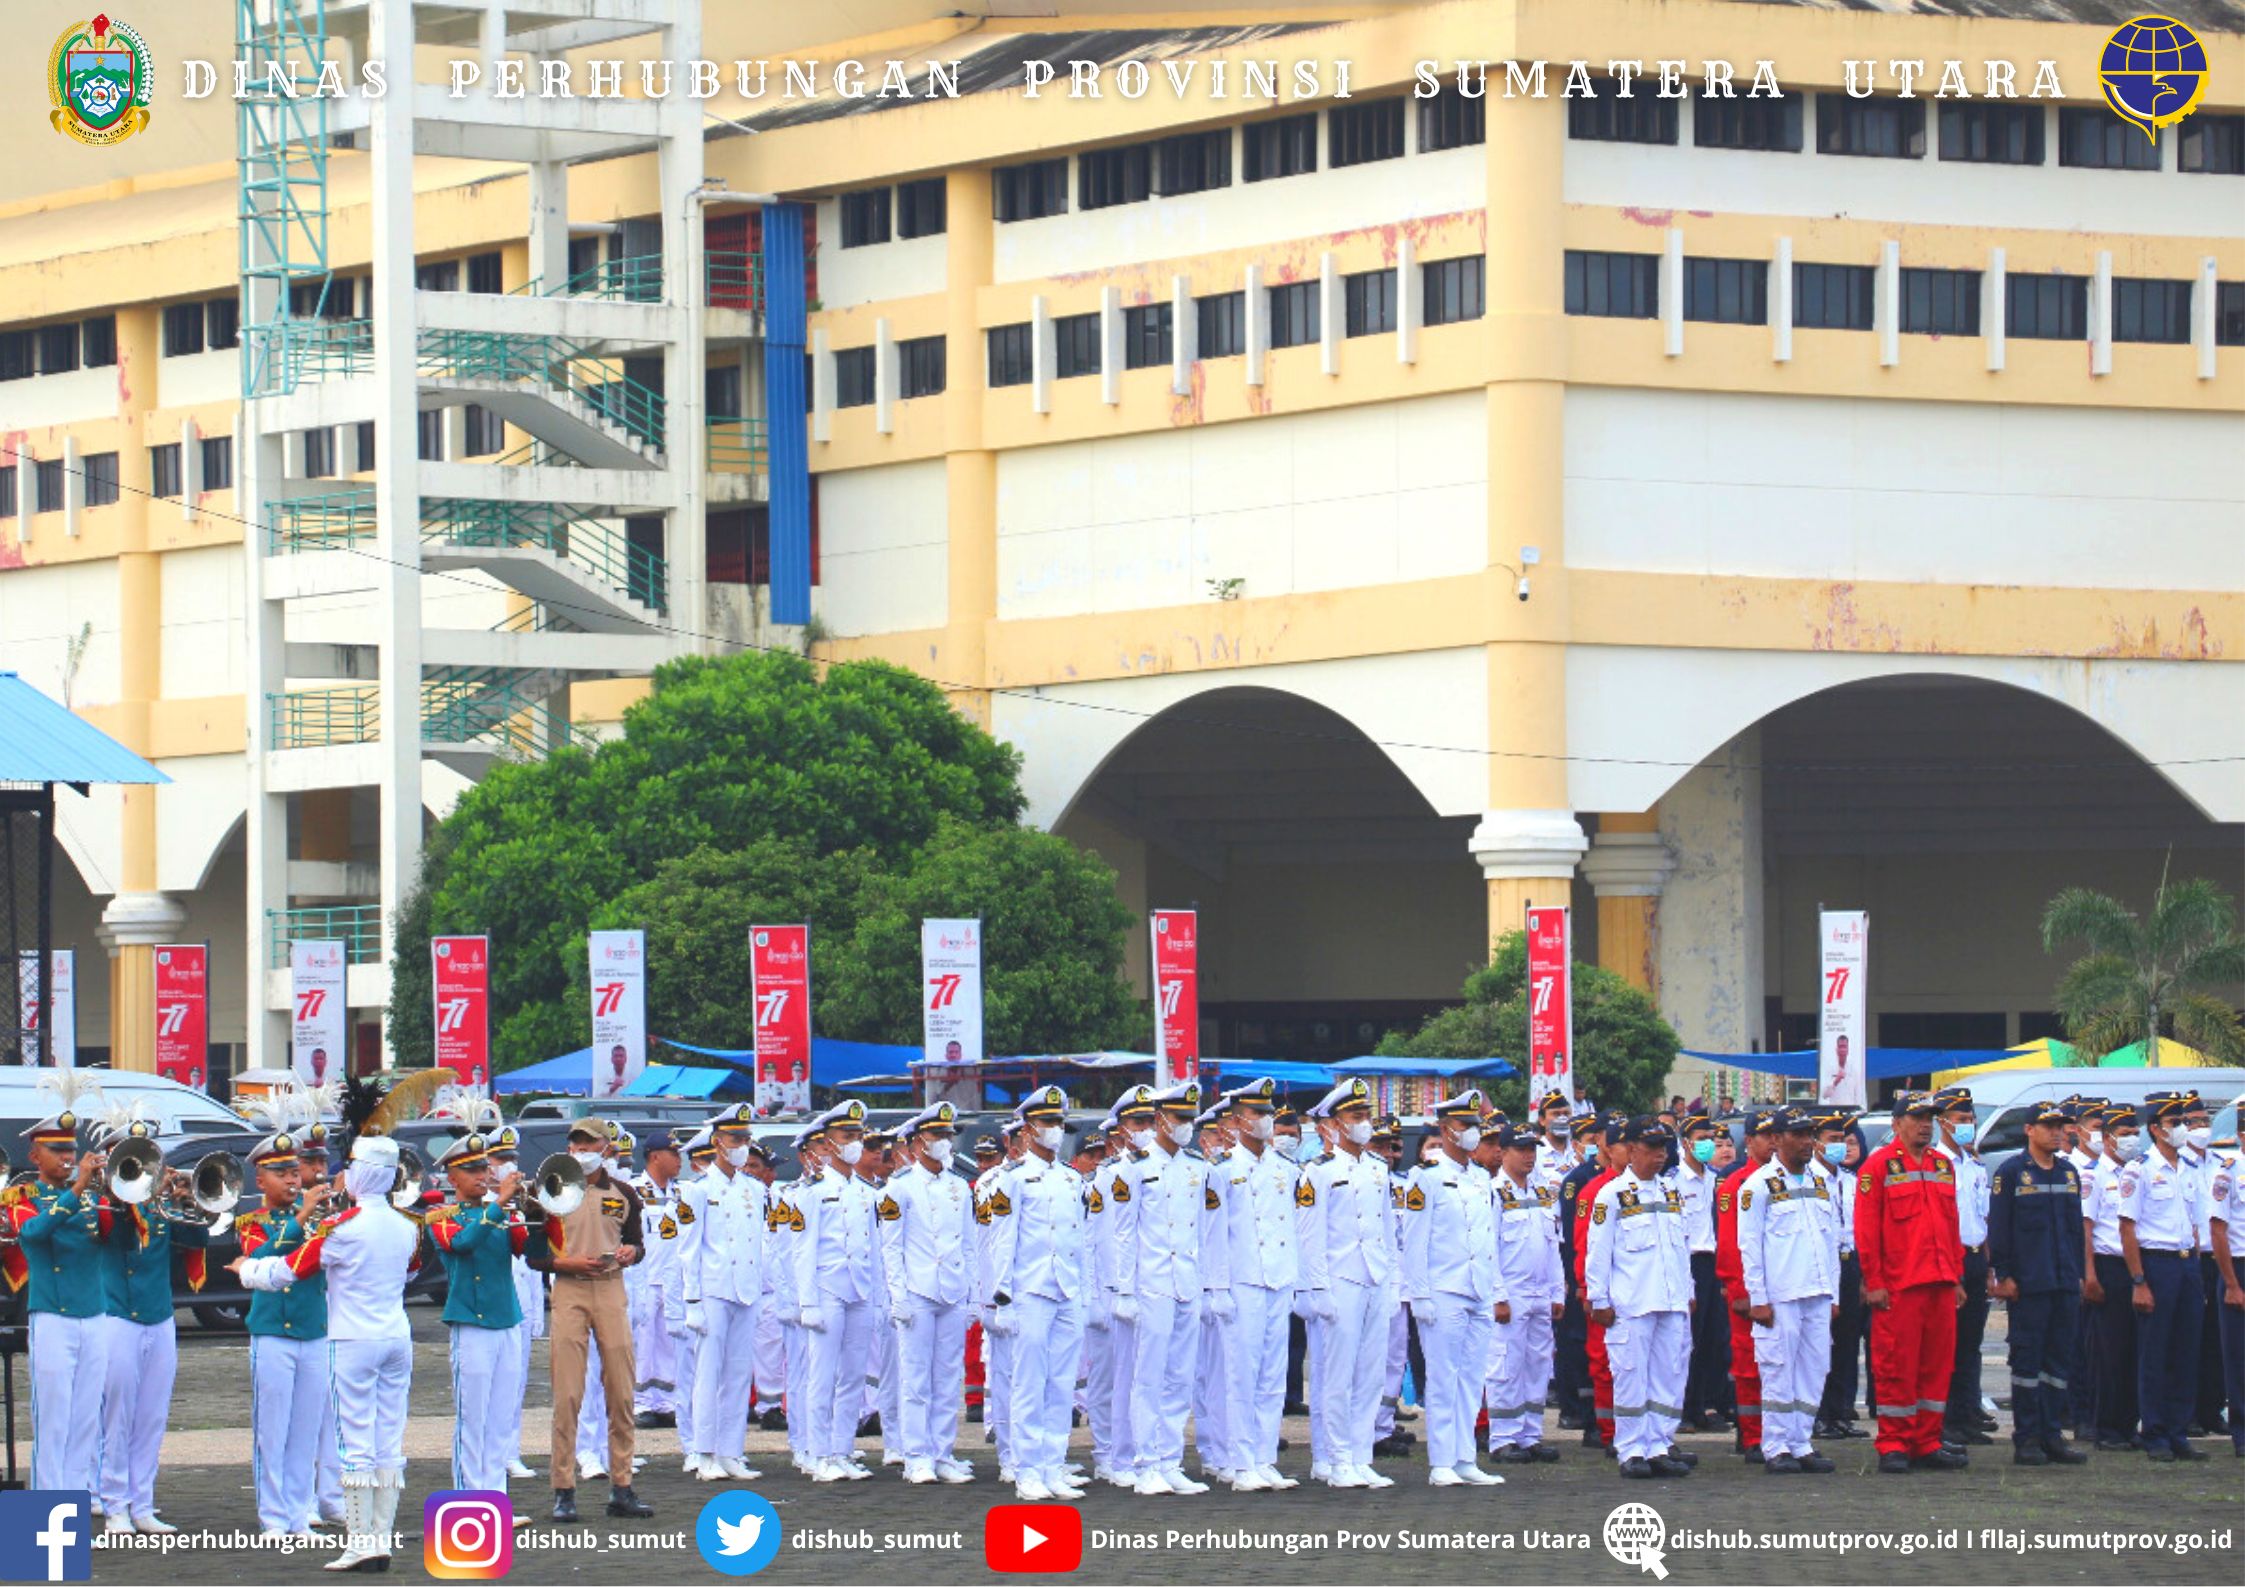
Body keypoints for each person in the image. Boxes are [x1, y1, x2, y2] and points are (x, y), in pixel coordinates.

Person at [234, 1131, 422, 1573]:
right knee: (388, 1442)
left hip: (354, 1339)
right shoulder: (407, 1225)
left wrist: (248, 1271)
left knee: (355, 1441)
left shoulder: (341, 1228)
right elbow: (411, 1272)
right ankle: (381, 1537)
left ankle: (361, 1543)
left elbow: (289, 1271)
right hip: (397, 1335)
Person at [93, 1105, 210, 1536]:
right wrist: (128, 1198)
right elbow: (119, 1238)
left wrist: (188, 1200)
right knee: (117, 1416)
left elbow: (197, 1239)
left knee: (151, 1415)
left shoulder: (160, 1207)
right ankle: (114, 1505)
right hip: (118, 1316)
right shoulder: (103, 1205)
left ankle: (142, 1503)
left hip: (160, 1317)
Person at [526, 1119, 651, 1522]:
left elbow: (637, 1242)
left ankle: (622, 1484)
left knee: (621, 1389)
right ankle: (563, 1488)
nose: (582, 1151)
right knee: (567, 1392)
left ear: (607, 1148)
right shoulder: (550, 1189)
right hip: (570, 1287)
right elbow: (532, 1253)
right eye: (576, 1144)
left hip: (611, 1286)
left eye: (590, 1144)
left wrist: (631, 1252)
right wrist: (565, 1262)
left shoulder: (623, 1192)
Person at [1111, 1080, 1230, 1495]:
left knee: (1180, 1377)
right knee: (1149, 1376)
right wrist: (1124, 1290)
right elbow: (1123, 1235)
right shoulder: (1135, 1167)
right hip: (1151, 1284)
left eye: (1190, 1119)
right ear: (1160, 1118)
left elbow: (1208, 1235)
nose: (1186, 1126)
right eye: (1179, 1118)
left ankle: (1170, 1460)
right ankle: (1145, 1463)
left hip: (1187, 1283)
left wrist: (1215, 1287)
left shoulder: (1198, 1168)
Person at [5, 1078, 109, 1499]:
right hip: (52, 1315)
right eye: (58, 1150)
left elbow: (122, 1238)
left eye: (71, 1149)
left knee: (85, 1420)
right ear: (35, 1154)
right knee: (52, 1422)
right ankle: (44, 1524)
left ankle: (74, 1515)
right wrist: (80, 1187)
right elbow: (32, 1233)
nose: (68, 1157)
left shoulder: (93, 1197)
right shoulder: (21, 1195)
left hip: (94, 1313)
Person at [1856, 1090, 1967, 1475]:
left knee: (1937, 1367)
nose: (1925, 1125)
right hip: (1900, 1287)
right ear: (1896, 1123)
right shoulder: (1878, 1167)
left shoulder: (1942, 1165)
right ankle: (1894, 1443)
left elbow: (1952, 1224)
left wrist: (1956, 1276)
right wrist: (1874, 1281)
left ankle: (1927, 1440)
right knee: (1896, 1366)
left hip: (1940, 1282)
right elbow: (1867, 1231)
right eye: (1917, 1118)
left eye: (1930, 1119)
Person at [987, 1085, 1088, 1501]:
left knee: (1061, 1384)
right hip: (1028, 1290)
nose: (1055, 1130)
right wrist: (1001, 1298)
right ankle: (1028, 1468)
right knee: (1029, 1382)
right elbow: (1000, 1240)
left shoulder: (1071, 1178)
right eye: (1047, 1122)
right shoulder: (1011, 1178)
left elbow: (1079, 1239)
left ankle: (1052, 1464)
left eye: (1059, 1122)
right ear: (1027, 1129)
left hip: (1066, 1288)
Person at [1295, 1077, 1395, 1490]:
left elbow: (1388, 1233)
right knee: (1335, 1375)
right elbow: (1309, 1235)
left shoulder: (1377, 1169)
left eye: (1365, 1115)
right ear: (1334, 1124)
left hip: (1374, 1276)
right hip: (1339, 1280)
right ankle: (1335, 1457)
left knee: (1370, 1374)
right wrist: (1316, 1289)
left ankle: (1360, 1455)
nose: (1363, 1123)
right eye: (1355, 1116)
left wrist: (1392, 1284)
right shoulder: (1316, 1172)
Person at [1400, 1090, 1503, 1487]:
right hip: (1443, 1289)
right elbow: (1415, 1239)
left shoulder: (1480, 1178)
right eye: (1465, 1126)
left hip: (1477, 1288)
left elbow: (1489, 1238)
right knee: (1443, 1377)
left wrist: (1495, 1289)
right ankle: (1441, 1460)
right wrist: (1419, 1293)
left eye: (1476, 1125)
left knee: (1472, 1377)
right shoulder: (1424, 1177)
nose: (1473, 1133)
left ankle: (1465, 1457)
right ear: (1446, 1130)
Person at [1584, 1116, 1694, 1480]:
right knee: (1631, 1378)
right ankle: (1631, 1449)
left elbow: (1682, 1247)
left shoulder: (1671, 1191)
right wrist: (1598, 1299)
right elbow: (1597, 1252)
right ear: (1631, 1150)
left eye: (1663, 1148)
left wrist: (1688, 1290)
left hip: (1670, 1298)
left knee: (1666, 1377)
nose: (1659, 1156)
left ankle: (1659, 1445)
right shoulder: (1611, 1195)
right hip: (1631, 1302)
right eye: (1651, 1148)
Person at [427, 1131, 532, 1503]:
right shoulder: (442, 1216)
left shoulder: (502, 1212)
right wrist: (499, 1205)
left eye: (483, 1168)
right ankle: (470, 1500)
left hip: (507, 1318)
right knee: (472, 1420)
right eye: (471, 1170)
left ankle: (495, 1497)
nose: (481, 1175)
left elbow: (532, 1252)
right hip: (471, 1320)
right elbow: (463, 1243)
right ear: (452, 1179)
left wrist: (538, 1211)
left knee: (500, 1419)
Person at [1736, 1106, 1841, 1475]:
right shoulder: (1757, 1186)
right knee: (1778, 1371)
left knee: (1814, 1369)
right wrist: (1758, 1299)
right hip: (1780, 1296)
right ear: (1777, 1140)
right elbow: (1748, 1247)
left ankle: (1801, 1442)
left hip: (1816, 1292)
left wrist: (1834, 1295)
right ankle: (1777, 1445)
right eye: (1797, 1134)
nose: (1806, 1141)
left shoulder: (1822, 1181)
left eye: (1809, 1134)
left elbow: (1832, 1242)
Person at [237, 1126, 330, 1538]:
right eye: (281, 1174)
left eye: (295, 1172)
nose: (293, 1180)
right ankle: (273, 1518)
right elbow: (261, 1254)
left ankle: (298, 1514)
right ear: (260, 1180)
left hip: (312, 1329)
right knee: (272, 1431)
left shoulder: (318, 1219)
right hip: (272, 1331)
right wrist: (303, 1216)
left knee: (305, 1431)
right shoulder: (251, 1221)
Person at [1987, 1100, 2090, 1467]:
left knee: (2058, 1363)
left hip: (2063, 1282)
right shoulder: (2012, 1172)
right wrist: (2004, 1274)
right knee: (2028, 1363)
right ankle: (2027, 1438)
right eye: (2048, 1126)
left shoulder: (2067, 1173)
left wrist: (2078, 1274)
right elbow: (1999, 1229)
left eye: (2060, 1126)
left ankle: (2052, 1435)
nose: (2056, 1132)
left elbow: (2076, 1230)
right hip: (2029, 1285)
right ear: (2029, 1130)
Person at [879, 1101, 975, 1485]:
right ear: (918, 1142)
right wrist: (897, 1293)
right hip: (917, 1291)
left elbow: (968, 1244)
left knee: (947, 1376)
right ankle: (916, 1454)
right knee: (916, 1377)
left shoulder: (958, 1187)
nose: (944, 1143)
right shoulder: (899, 1187)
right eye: (937, 1136)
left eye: (948, 1136)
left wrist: (970, 1291)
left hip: (951, 1290)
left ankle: (943, 1451)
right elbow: (891, 1245)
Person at [1212, 1078, 1300, 1493]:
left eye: (1268, 1113)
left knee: (1272, 1375)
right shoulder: (1223, 1170)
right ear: (1236, 1120)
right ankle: (1240, 1461)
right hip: (1242, 1281)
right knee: (1241, 1376)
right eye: (1257, 1113)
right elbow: (1213, 1236)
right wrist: (1217, 1288)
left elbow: (1292, 1229)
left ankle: (1264, 1458)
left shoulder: (1285, 1170)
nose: (1265, 1121)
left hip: (1278, 1279)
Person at [680, 1103, 767, 1481]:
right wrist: (693, 1300)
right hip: (713, 1290)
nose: (742, 1145)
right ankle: (704, 1451)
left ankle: (732, 1451)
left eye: (746, 1139)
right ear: (717, 1142)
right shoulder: (696, 1189)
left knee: (737, 1374)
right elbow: (688, 1249)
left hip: (745, 1290)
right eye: (736, 1138)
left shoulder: (752, 1188)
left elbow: (758, 1242)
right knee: (708, 1374)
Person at [2121, 1091, 2209, 1462]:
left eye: (2185, 1123)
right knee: (2155, 1352)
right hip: (2156, 1264)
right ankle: (2155, 1432)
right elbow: (2127, 1227)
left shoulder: (2190, 1168)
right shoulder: (2139, 1168)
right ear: (2155, 1129)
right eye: (2175, 1123)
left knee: (2186, 1351)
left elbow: (2196, 1223)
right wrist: (2139, 1281)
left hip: (2187, 1263)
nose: (2183, 1129)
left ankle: (2178, 1431)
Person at [796, 1099, 880, 1482]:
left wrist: (877, 1297)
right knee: (822, 1375)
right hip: (827, 1289)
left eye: (859, 1136)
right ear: (828, 1144)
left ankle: (843, 1449)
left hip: (860, 1289)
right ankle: (819, 1454)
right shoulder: (813, 1189)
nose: (855, 1143)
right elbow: (803, 1248)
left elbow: (874, 1249)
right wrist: (807, 1301)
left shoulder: (865, 1191)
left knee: (853, 1375)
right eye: (848, 1136)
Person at [1716, 1108, 1780, 1462]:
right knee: (1748, 1365)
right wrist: (1740, 1291)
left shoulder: (1791, 1179)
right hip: (1748, 1291)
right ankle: (1751, 1434)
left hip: (1783, 1289)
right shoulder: (1736, 1184)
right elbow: (1729, 1243)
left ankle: (1777, 1432)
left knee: (1780, 1365)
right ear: (1749, 1141)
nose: (1772, 1142)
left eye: (1776, 1135)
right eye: (1765, 1136)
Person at [1933, 1087, 1995, 1447]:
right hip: (1950, 1257)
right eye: (1961, 1120)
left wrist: (1987, 1265)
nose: (1968, 1125)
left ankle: (1967, 1414)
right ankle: (1946, 1419)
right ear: (1943, 1122)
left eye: (1971, 1119)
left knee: (1971, 1344)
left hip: (1974, 1256)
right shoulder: (1936, 1163)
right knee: (1948, 1345)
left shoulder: (1973, 1163)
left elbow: (1982, 1216)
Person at [2082, 1101, 2142, 1449]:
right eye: (2124, 1134)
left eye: (2135, 1133)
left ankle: (2128, 1425)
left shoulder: (2137, 1171)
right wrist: (2089, 1275)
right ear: (2107, 1139)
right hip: (2105, 1267)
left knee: (2135, 1349)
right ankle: (2105, 1428)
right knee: (2108, 1352)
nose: (2132, 1140)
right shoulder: (2093, 1175)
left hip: (2133, 1267)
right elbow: (2086, 1229)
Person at [486, 1127, 543, 1482]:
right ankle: (490, 1453)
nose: (508, 1167)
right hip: (490, 1307)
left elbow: (533, 1266)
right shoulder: (482, 1208)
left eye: (512, 1160)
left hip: (520, 1305)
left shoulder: (522, 1207)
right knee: (488, 1387)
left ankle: (511, 1451)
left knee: (516, 1383)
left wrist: (537, 1312)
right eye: (500, 1160)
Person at [1812, 1111, 1869, 1441]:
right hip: (1823, 1264)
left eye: (1843, 1140)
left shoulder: (1850, 1181)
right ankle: (1818, 1415)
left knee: (1847, 1343)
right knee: (1822, 1343)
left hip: (1850, 1263)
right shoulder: (1809, 1179)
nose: (1840, 1146)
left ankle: (1840, 1410)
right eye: (1833, 1140)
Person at [1673, 1109, 1728, 1432]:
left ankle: (1704, 1405)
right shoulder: (1674, 1180)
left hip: (1714, 1261)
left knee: (1711, 1338)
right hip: (1688, 1262)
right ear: (1685, 1143)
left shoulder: (1715, 1179)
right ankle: (1682, 1407)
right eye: (1701, 1140)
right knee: (1686, 1340)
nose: (1706, 1145)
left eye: (1710, 1139)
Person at [1551, 1111, 1603, 1432]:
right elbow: (1572, 1232)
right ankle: (1571, 1405)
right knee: (1572, 1339)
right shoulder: (1576, 1180)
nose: (1596, 1145)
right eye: (1591, 1140)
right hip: (1574, 1267)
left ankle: (1591, 1407)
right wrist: (1573, 1278)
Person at [630, 1135, 685, 1433]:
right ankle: (641, 1402)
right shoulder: (636, 1191)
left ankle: (665, 1400)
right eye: (673, 1153)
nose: (679, 1160)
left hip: (673, 1277)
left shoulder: (681, 1193)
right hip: (645, 1277)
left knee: (668, 1341)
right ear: (654, 1157)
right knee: (644, 1341)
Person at [2208, 1125, 2245, 1457]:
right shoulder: (2229, 1175)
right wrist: (2232, 1283)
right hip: (2239, 1267)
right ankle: (2243, 1433)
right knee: (2239, 1356)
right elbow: (2218, 1232)